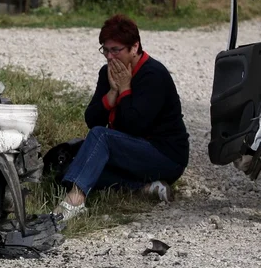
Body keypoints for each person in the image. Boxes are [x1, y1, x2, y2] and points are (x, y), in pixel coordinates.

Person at [51, 14, 190, 221]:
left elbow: (134, 126)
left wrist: (125, 89)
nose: (109, 56)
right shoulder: (106, 73)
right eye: (105, 50)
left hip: (164, 155)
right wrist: (111, 95)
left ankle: (75, 199)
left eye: (116, 50)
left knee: (100, 137)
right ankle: (144, 188)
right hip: (130, 150)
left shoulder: (153, 75)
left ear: (134, 48)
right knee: (70, 168)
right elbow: (92, 119)